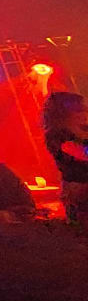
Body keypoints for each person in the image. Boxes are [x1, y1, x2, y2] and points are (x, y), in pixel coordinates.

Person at [42, 91, 88, 224]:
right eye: (79, 110)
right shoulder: (59, 138)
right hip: (79, 193)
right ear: (63, 114)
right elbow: (79, 156)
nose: (85, 114)